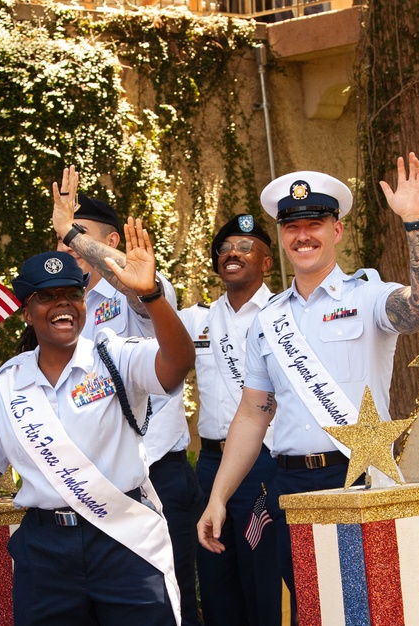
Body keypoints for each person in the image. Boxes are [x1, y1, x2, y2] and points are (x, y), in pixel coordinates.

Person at [0, 167, 203, 626]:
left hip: (124, 535)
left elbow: (177, 362)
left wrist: (152, 292)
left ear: (83, 300)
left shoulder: (114, 352)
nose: (62, 303)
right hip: (46, 548)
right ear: (28, 311)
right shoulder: (10, 381)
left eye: (71, 294)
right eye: (47, 296)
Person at [196, 153, 419, 602]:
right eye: (292, 226)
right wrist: (218, 497)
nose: (303, 235)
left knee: (371, 607)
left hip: (360, 479)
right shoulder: (267, 320)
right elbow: (253, 416)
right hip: (290, 489)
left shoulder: (370, 296)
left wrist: (415, 223)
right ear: (282, 236)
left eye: (314, 223)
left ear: (336, 230)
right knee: (313, 609)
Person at [180, 215, 281, 626]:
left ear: (267, 263)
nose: (232, 253)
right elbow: (140, 303)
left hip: (265, 464)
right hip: (210, 465)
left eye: (244, 246)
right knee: (217, 581)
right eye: (224, 249)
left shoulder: (285, 315)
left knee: (265, 580)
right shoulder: (196, 319)